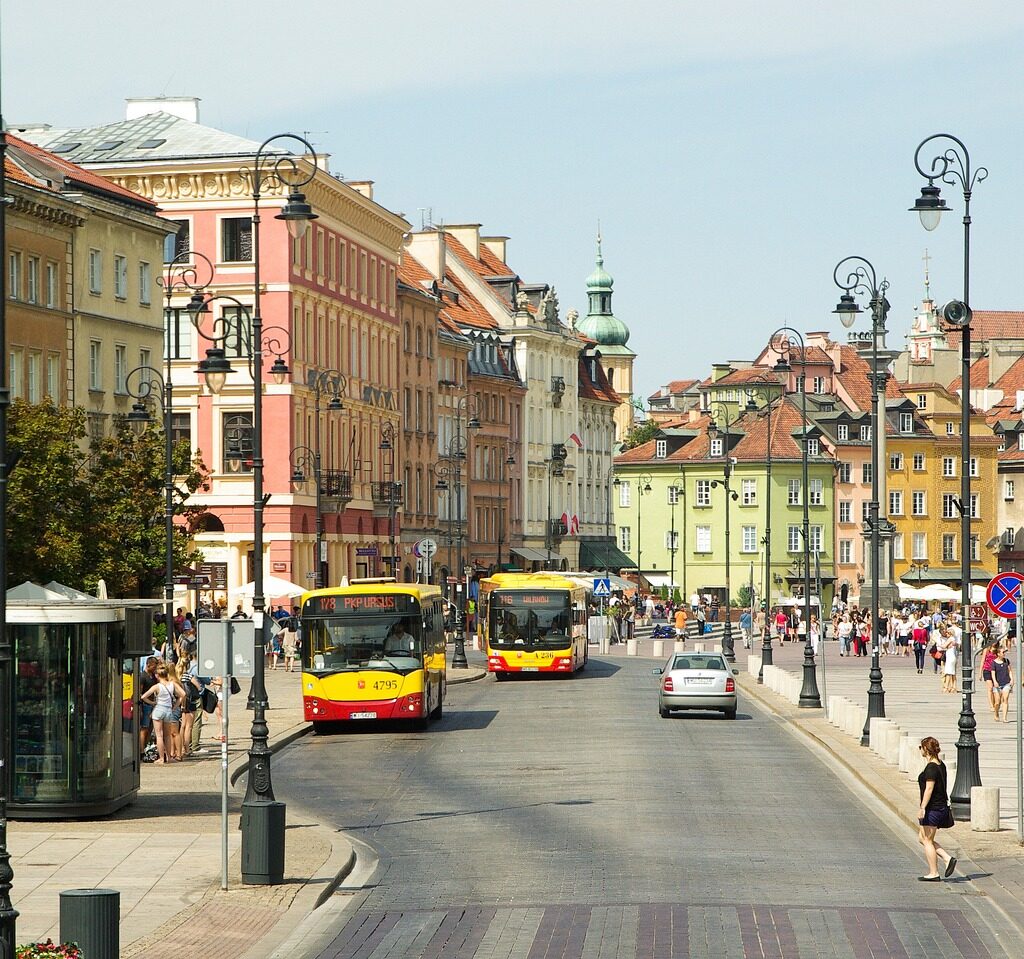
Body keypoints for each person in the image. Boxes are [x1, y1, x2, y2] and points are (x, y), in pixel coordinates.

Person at [916, 736, 957, 881]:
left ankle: (934, 873)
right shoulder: (941, 764)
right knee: (922, 838)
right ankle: (947, 858)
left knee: (927, 840)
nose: (919, 750)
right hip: (939, 807)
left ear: (926, 749)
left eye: (921, 747)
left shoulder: (931, 768)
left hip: (933, 809)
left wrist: (922, 808)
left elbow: (929, 789)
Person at [140, 664, 186, 764]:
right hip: (168, 711)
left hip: (158, 710)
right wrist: (175, 706)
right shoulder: (172, 684)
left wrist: (152, 703)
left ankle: (161, 758)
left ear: (157, 675)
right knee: (167, 735)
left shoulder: (157, 686)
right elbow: (183, 694)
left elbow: (143, 696)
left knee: (159, 735)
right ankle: (169, 757)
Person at [991, 645, 1014, 722]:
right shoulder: (994, 663)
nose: (1004, 653)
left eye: (1004, 652)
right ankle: (996, 713)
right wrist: (995, 681)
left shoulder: (1006, 661)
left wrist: (1012, 679)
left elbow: (1010, 671)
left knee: (1005, 699)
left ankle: (1004, 718)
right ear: (998, 653)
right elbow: (993, 674)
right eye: (1003, 652)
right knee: (997, 702)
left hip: (1006, 683)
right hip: (997, 684)